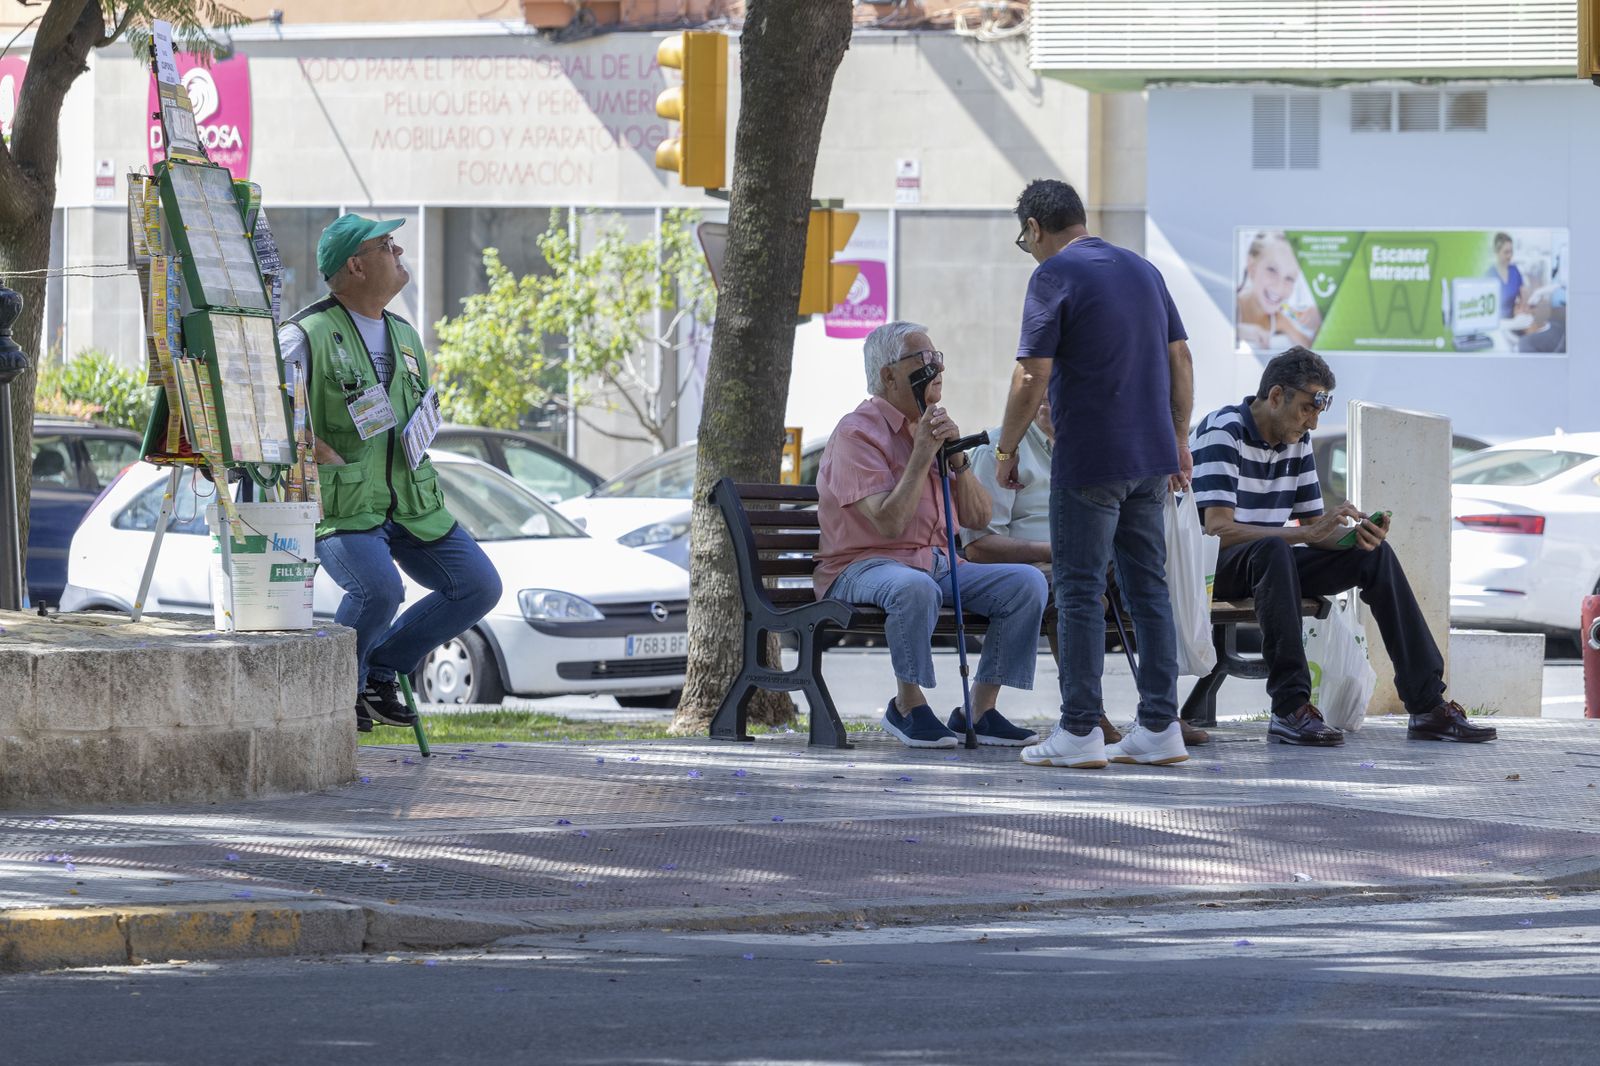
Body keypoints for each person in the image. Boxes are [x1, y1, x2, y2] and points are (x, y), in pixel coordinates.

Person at [1190, 346, 1496, 747]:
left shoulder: (1295, 441)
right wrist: (1305, 536)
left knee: (1373, 555)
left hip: (1269, 562)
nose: (1313, 422)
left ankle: (1427, 706)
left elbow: (1314, 529)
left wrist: (1354, 535)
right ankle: (1289, 708)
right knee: (1274, 550)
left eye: (1319, 410)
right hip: (1212, 568)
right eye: (1307, 408)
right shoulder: (1223, 430)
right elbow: (1216, 530)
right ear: (1276, 395)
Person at [992, 178, 1195, 770]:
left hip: (1090, 458)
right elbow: (1180, 356)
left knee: (1079, 591)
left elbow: (1031, 375)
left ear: (1034, 228)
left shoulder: (1052, 275)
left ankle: (1080, 729)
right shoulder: (1143, 271)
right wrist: (1179, 439)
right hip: (1150, 457)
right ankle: (1160, 726)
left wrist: (1006, 452)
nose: (1026, 249)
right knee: (1147, 590)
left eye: (1022, 238)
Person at [279, 214, 502, 734]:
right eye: (386, 245)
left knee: (478, 585)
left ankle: (380, 669)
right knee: (378, 591)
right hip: (344, 503)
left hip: (410, 499)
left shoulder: (403, 334)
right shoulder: (305, 334)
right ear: (355, 265)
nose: (399, 251)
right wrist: (317, 451)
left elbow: (409, 407)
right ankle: (339, 692)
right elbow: (272, 416)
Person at [815, 320, 1049, 749]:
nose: (936, 367)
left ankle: (979, 709)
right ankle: (907, 705)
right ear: (888, 375)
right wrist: (923, 453)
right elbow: (888, 523)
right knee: (913, 587)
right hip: (861, 566)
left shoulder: (931, 427)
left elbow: (978, 517)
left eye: (937, 358)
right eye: (922, 360)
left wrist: (957, 460)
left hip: (936, 562)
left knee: (1028, 582)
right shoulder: (856, 433)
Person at [963, 401, 1210, 747]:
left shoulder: (1091, 445)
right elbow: (980, 546)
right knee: (1078, 587)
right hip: (1031, 566)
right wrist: (1052, 550)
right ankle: (1089, 715)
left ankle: (1159, 712)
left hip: (1094, 555)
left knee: (1149, 580)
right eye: (1047, 393)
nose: (1054, 401)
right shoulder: (1001, 449)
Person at [1236, 231, 1320, 352]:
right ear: (1251, 266)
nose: (1280, 287)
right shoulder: (1233, 305)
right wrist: (1239, 331)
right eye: (1272, 270)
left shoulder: (1278, 319)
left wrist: (1320, 320)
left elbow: (1311, 349)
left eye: (1289, 278)